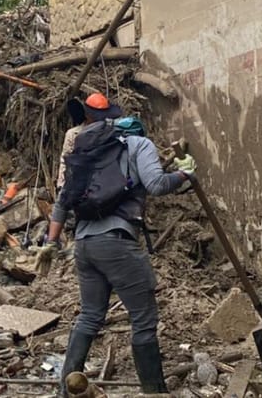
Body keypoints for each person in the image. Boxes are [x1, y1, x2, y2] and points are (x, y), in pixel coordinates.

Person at [45, 93, 196, 396]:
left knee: (89, 316)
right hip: (116, 244)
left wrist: (50, 242)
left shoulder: (86, 152)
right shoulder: (139, 145)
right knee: (143, 320)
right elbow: (155, 184)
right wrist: (183, 174)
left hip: (84, 245)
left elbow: (62, 200)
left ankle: (66, 390)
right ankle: (154, 391)